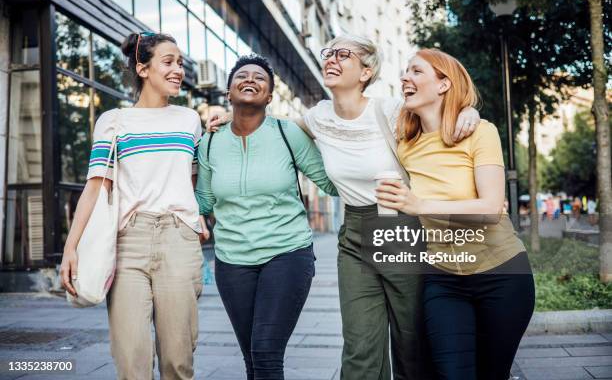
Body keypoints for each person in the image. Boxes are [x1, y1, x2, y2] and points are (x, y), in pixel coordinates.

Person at [208, 34, 481, 379]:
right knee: (359, 347)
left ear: (366, 71)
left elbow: (443, 114)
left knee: (411, 343)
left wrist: (467, 110)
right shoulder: (318, 117)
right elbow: (263, 127)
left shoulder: (391, 110)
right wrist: (225, 115)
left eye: (343, 55)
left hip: (402, 229)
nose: (331, 60)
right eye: (329, 53)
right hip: (354, 234)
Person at [376, 48, 535, 380]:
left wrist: (420, 206)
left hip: (502, 273)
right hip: (443, 278)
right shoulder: (404, 143)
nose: (405, 77)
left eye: (416, 71)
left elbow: (491, 208)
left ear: (444, 84)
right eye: (404, 71)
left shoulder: (481, 132)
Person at [60, 32, 207, 380]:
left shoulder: (189, 121)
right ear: (142, 68)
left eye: (180, 63)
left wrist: (198, 217)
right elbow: (95, 187)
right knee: (131, 361)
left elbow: (194, 180)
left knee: (177, 361)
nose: (177, 70)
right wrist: (71, 247)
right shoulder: (114, 121)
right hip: (128, 241)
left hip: (178, 238)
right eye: (168, 62)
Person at [195, 54, 338, 380]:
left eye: (259, 78)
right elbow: (203, 200)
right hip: (232, 262)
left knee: (265, 351)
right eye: (241, 76)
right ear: (228, 93)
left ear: (270, 96)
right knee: (252, 357)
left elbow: (328, 181)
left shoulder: (288, 133)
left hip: (286, 253)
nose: (250, 80)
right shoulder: (210, 142)